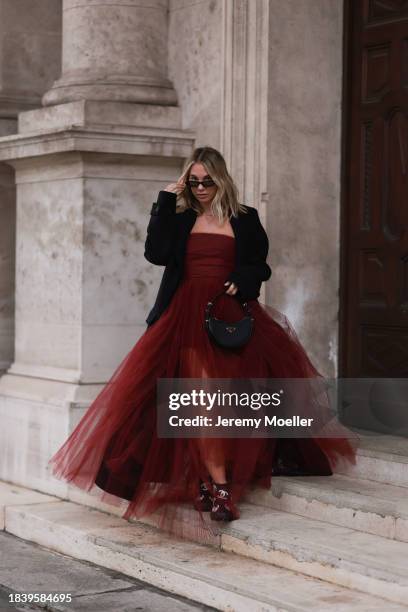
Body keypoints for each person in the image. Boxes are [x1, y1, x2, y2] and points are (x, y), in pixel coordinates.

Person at [48, 146, 359, 542]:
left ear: (221, 178)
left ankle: (206, 482)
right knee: (203, 402)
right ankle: (220, 486)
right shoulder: (179, 217)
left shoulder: (245, 219)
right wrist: (165, 197)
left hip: (228, 316)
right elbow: (155, 253)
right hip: (183, 319)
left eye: (206, 181)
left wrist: (245, 279)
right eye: (192, 182)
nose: (199, 188)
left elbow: (261, 265)